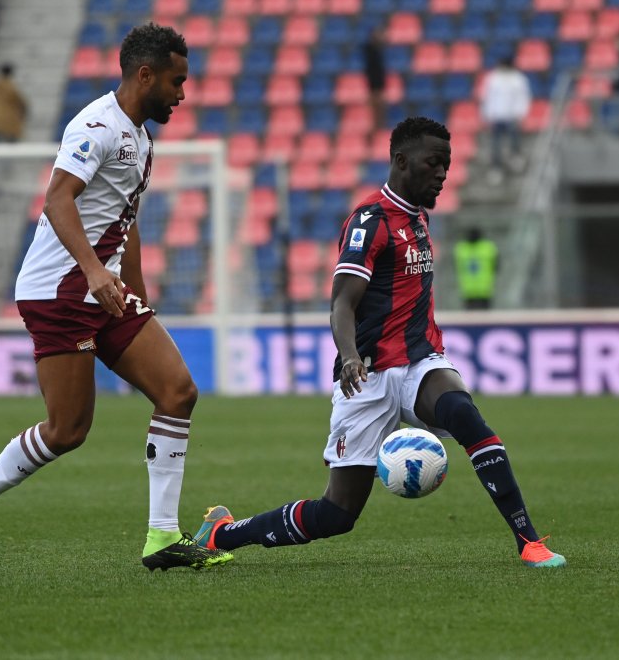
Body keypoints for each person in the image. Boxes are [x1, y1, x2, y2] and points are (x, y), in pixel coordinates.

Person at [189, 117, 566, 569]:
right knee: (337, 514)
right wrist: (349, 356)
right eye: (433, 163)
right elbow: (341, 304)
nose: (442, 174)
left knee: (464, 414)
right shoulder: (369, 222)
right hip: (367, 374)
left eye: (446, 165)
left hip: (420, 362)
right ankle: (223, 532)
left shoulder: (419, 217)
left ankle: (528, 540)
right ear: (401, 161)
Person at [0, 23, 231, 575]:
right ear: (145, 75)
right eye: (176, 81)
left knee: (178, 392)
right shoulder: (96, 125)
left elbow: (125, 219)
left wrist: (138, 296)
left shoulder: (142, 139)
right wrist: (95, 270)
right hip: (60, 292)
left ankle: (162, 537)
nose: (182, 93)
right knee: (68, 430)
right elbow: (57, 200)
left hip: (104, 290)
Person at [479, 57, 531, 184]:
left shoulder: (518, 79)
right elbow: (487, 97)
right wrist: (487, 114)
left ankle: (516, 159)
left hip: (512, 115)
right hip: (497, 116)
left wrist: (520, 114)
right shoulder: (492, 78)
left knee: (514, 138)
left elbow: (523, 97)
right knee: (496, 143)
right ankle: (496, 168)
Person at [454, 228, 499, 310]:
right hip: (482, 289)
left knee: (470, 315)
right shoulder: (488, 248)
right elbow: (496, 266)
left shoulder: (461, 249)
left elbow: (456, 267)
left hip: (472, 289)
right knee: (485, 315)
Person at [362, 27, 386, 129]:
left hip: (378, 82)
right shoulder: (369, 50)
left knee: (379, 106)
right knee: (375, 106)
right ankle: (375, 126)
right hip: (373, 83)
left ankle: (378, 126)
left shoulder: (378, 51)